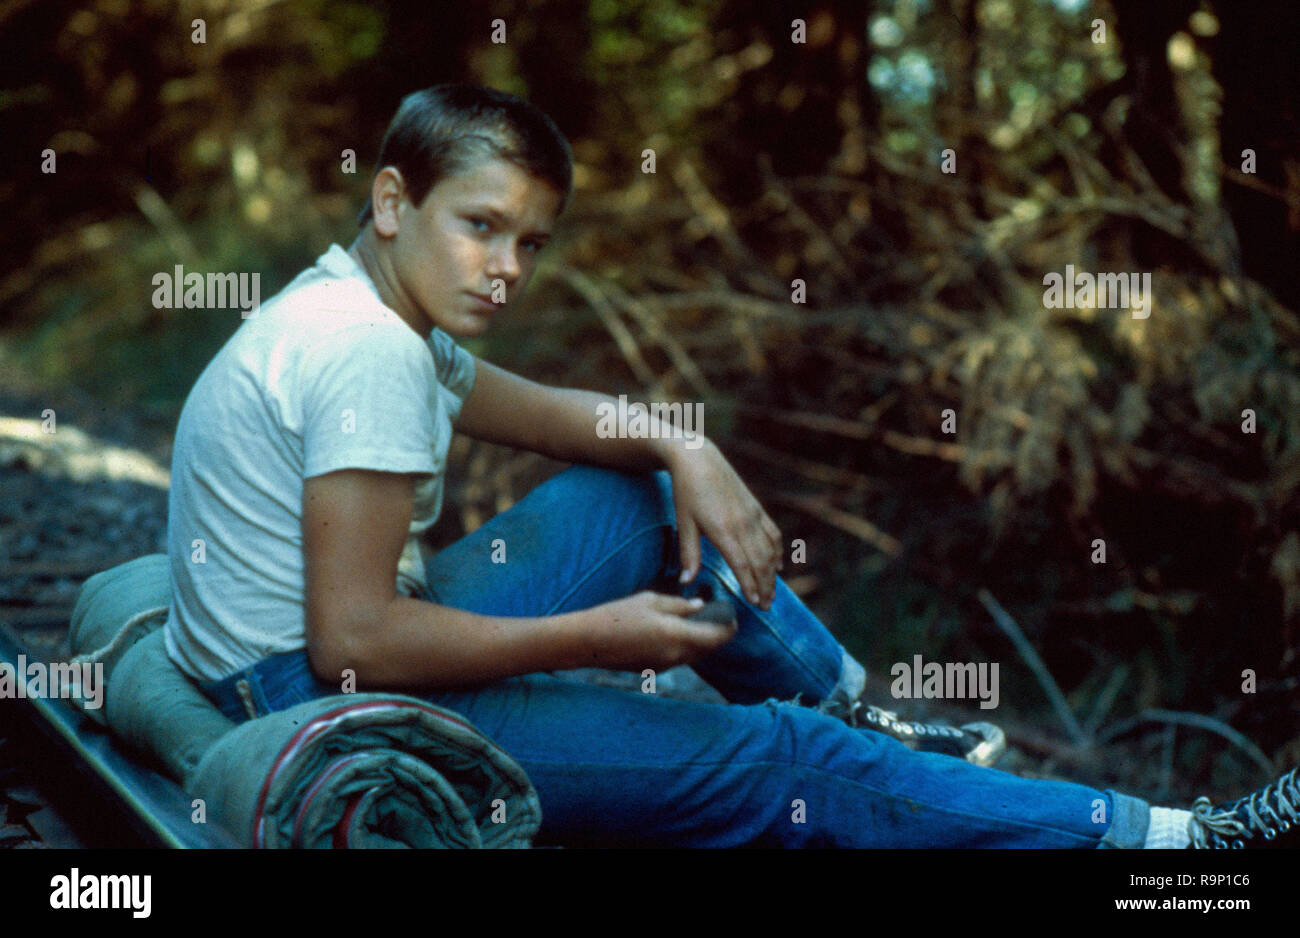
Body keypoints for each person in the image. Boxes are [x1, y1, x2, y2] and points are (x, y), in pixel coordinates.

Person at [161, 83, 1297, 849]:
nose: (507, 266)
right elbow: (352, 643)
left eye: (532, 242)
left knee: (636, 497)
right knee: (777, 759)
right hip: (322, 701)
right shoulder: (365, 351)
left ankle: (859, 714)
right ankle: (1170, 841)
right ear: (393, 198)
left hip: (291, 659)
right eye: (482, 225)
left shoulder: (362, 304)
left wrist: (681, 438)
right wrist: (595, 642)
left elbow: (555, 418)